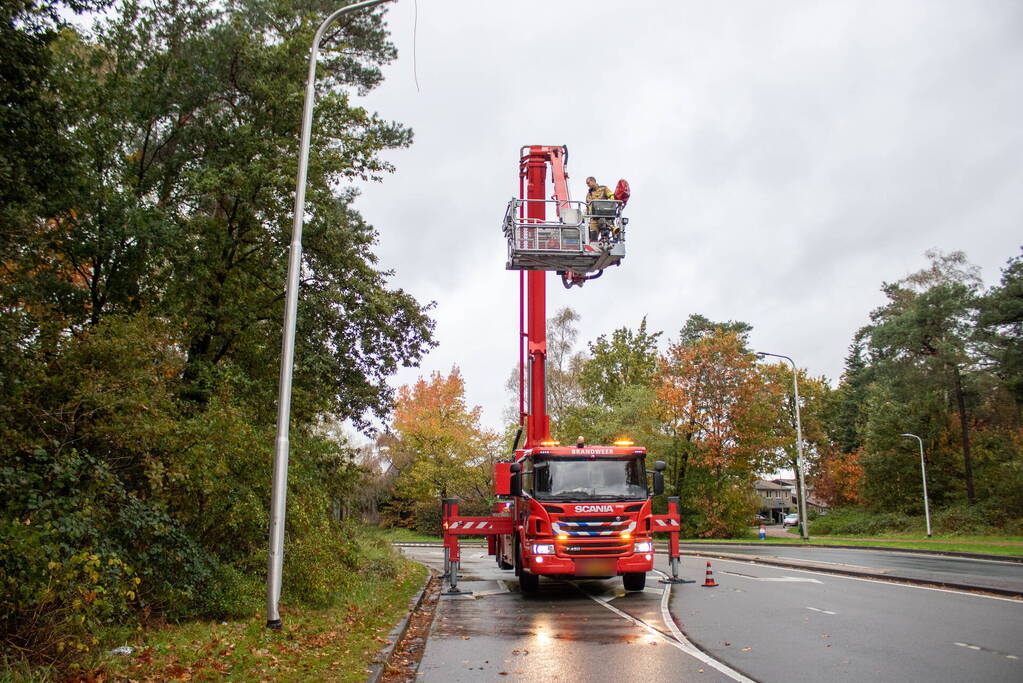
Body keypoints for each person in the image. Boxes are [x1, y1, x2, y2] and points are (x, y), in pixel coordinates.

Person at [585, 176, 614, 242]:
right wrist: (586, 216)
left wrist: (612, 205)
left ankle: (605, 242)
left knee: (605, 234)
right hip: (594, 218)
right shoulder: (588, 195)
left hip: (604, 216)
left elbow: (611, 196)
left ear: (593, 181)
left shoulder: (603, 188)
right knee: (593, 236)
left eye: (588, 183)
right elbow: (587, 206)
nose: (587, 185)